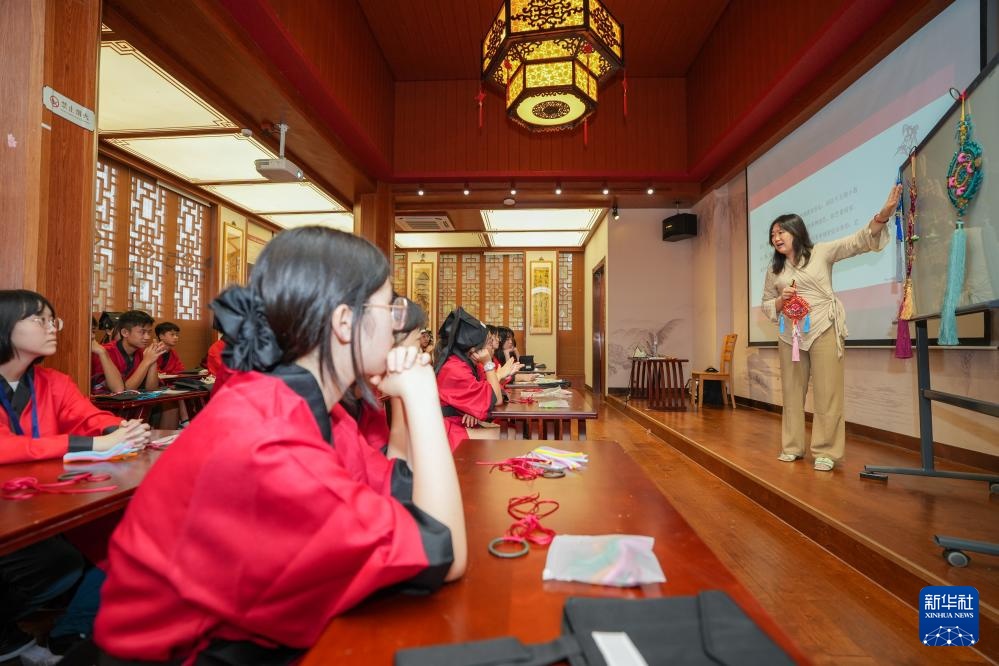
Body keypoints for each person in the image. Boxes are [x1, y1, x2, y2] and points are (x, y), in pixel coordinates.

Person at [95, 227, 466, 664]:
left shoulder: (305, 407)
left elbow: (405, 496)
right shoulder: (270, 445)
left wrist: (408, 397)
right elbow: (449, 552)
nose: (398, 325)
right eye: (390, 307)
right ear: (345, 322)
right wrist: (423, 395)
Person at [0, 290, 151, 663]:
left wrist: (122, 429)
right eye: (41, 320)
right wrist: (88, 445)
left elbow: (88, 418)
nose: (54, 328)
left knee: (127, 532)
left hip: (43, 499)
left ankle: (72, 630)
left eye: (55, 320)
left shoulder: (53, 381)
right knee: (57, 565)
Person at [761, 184, 902, 471]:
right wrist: (779, 302)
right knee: (791, 392)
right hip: (791, 336)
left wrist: (883, 215)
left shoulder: (821, 253)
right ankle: (792, 447)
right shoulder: (774, 270)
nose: (776, 238)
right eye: (773, 235)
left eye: (781, 232)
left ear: (796, 232)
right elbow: (766, 303)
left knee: (828, 392)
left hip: (824, 327)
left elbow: (857, 241)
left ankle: (826, 452)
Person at [434, 308, 521, 449]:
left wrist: (473, 408)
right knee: (511, 433)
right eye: (488, 342)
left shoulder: (466, 363)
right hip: (447, 431)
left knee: (512, 429)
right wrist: (488, 364)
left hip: (460, 421)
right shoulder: (454, 368)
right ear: (474, 349)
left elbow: (492, 393)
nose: (492, 345)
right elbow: (496, 398)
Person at [90, 310, 165, 392]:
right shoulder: (106, 351)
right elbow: (125, 390)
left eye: (149, 332)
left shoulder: (142, 352)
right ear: (125, 332)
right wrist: (146, 362)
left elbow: (152, 389)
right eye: (142, 332)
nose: (147, 337)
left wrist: (153, 360)